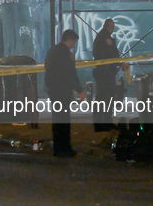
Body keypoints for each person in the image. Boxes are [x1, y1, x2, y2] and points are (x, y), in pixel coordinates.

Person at [45, 29, 85, 158]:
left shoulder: (52, 51)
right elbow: (70, 74)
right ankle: (65, 149)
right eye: (74, 42)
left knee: (57, 120)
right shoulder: (65, 54)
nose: (74, 45)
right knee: (64, 120)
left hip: (53, 90)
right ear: (70, 40)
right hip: (62, 91)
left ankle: (58, 148)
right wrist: (80, 90)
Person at [92, 19, 127, 132]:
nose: (113, 28)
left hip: (107, 72)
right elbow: (107, 55)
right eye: (112, 25)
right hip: (105, 73)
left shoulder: (104, 38)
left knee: (107, 97)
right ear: (107, 26)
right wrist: (119, 62)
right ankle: (101, 122)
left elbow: (112, 55)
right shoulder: (104, 38)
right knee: (103, 97)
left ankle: (105, 121)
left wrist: (119, 62)